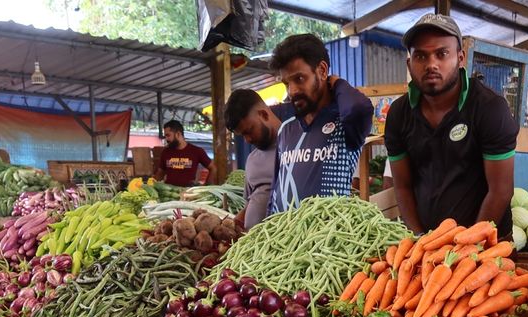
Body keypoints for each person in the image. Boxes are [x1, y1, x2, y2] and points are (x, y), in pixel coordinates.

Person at [385, 13, 517, 235]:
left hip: (488, 246)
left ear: (460, 57)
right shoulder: (398, 115)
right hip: (430, 250)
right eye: (421, 56)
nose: (431, 64)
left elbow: (501, 191)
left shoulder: (490, 108)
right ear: (409, 64)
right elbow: (402, 186)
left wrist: (469, 247)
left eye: (442, 54)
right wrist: (419, 240)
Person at [268, 34, 374, 214]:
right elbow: (276, 189)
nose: (292, 91)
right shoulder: (286, 130)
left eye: (300, 79)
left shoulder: (346, 124)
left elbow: (359, 107)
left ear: (322, 71)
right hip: (285, 239)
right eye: (287, 83)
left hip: (328, 238)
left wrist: (337, 82)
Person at [224, 89, 287, 229]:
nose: (247, 140)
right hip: (254, 245)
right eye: (242, 135)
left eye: (249, 131)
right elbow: (251, 203)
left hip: (286, 244)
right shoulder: (252, 160)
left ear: (264, 114)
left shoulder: (298, 148)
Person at [156, 120, 212, 186]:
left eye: (168, 135)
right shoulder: (165, 152)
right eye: (165, 136)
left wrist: (206, 187)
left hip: (188, 194)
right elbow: (160, 173)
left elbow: (213, 168)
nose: (166, 139)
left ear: (178, 134)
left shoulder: (197, 151)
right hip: (170, 193)